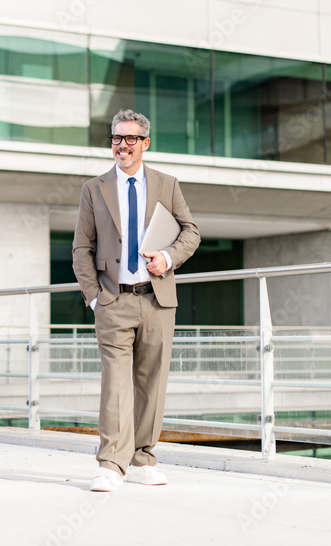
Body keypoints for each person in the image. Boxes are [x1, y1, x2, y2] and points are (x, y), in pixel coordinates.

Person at [72, 109, 200, 492]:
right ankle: (111, 464)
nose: (122, 145)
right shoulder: (94, 189)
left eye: (130, 139)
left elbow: (190, 232)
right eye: (116, 138)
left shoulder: (167, 185)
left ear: (145, 143)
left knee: (151, 383)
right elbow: (81, 249)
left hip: (157, 299)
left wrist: (168, 257)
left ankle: (142, 458)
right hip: (114, 301)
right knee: (115, 382)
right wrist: (95, 299)